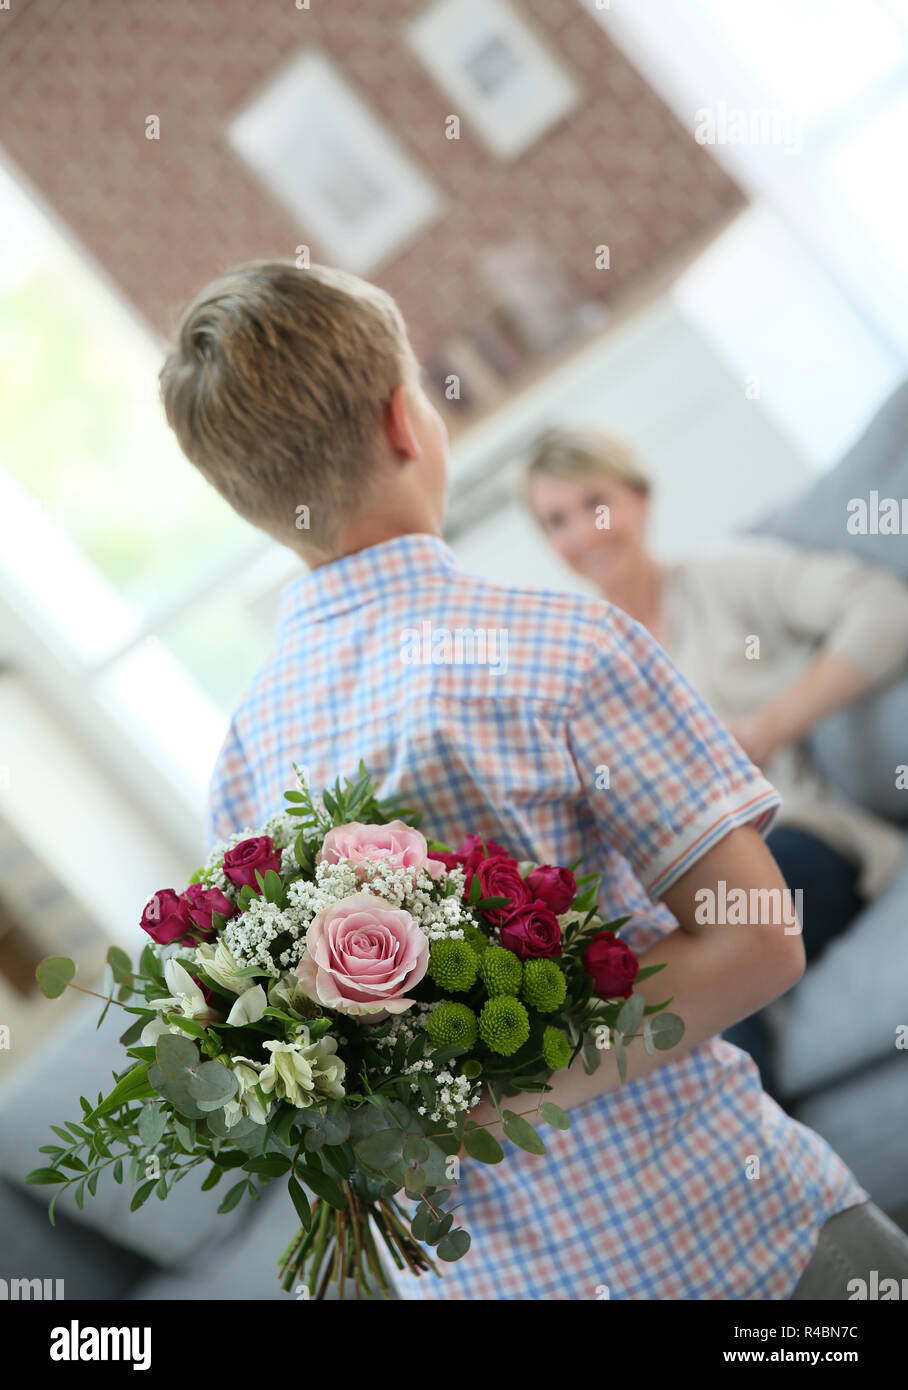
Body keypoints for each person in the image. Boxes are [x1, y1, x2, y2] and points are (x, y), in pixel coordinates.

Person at [159, 260, 908, 1300]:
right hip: (733, 1245)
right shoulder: (556, 644)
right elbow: (755, 936)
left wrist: (436, 1101)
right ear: (403, 423)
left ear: (245, 501)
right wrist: (504, 1089)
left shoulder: (245, 754)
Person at [525, 426, 908, 1101]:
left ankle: (770, 1158)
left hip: (803, 836)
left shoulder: (721, 576)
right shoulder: (574, 662)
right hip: (669, 882)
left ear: (640, 500)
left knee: (718, 942)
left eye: (596, 503)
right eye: (557, 521)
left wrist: (767, 727)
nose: (584, 533)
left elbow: (885, 608)